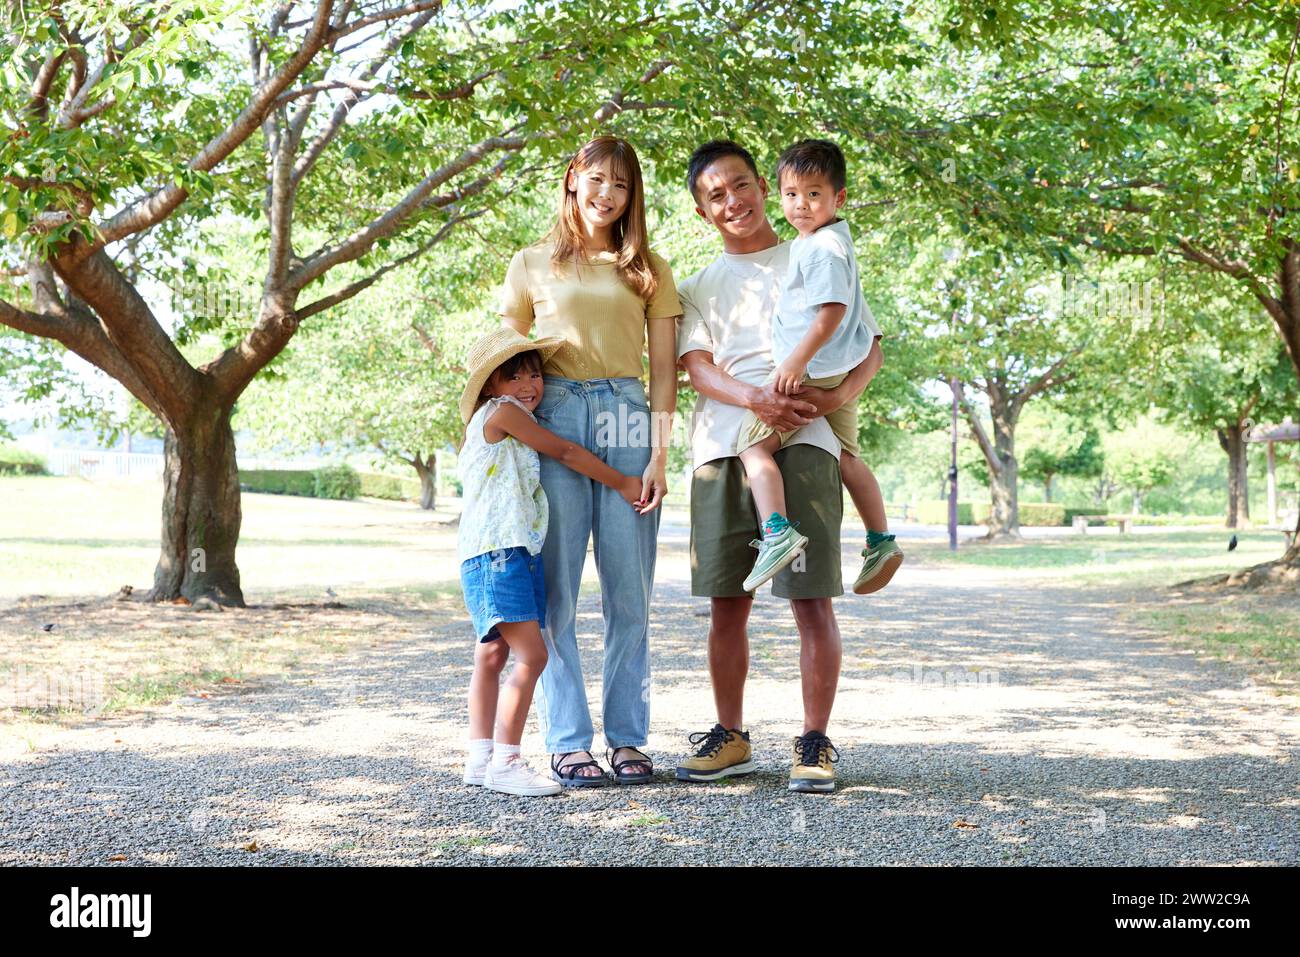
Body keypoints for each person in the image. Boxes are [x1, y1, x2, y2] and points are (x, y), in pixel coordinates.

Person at [673, 140, 880, 793]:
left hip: (807, 441)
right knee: (726, 602)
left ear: (764, 185)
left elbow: (868, 342)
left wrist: (839, 396)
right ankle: (730, 734)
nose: (731, 201)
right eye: (715, 195)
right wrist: (754, 397)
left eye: (740, 185)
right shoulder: (698, 286)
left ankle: (815, 740)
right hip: (722, 449)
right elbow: (697, 367)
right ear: (703, 211)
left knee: (810, 598)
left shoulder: (815, 248)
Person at [498, 135, 682, 787]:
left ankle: (628, 737)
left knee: (630, 591)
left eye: (622, 185)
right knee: (556, 593)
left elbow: (665, 372)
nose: (607, 194)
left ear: (634, 197)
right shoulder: (529, 263)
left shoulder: (648, 269)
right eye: (597, 179)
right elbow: (504, 359)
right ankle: (569, 739)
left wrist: (660, 450)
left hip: (628, 413)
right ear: (573, 178)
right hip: (555, 414)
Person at [457, 328, 647, 797]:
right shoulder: (504, 414)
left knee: (492, 654)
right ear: (489, 386)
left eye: (535, 373)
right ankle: (507, 760)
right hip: (503, 553)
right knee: (533, 654)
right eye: (513, 375)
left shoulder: (497, 416)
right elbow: (564, 450)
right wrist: (621, 481)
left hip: (485, 554)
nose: (529, 384)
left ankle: (479, 758)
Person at [734, 138, 902, 595]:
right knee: (848, 457)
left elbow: (831, 311)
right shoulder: (833, 239)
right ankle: (881, 539)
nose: (801, 205)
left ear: (838, 198)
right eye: (791, 194)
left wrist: (796, 360)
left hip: (813, 370)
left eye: (813, 194)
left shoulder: (820, 248)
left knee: (752, 448)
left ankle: (777, 531)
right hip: (842, 369)